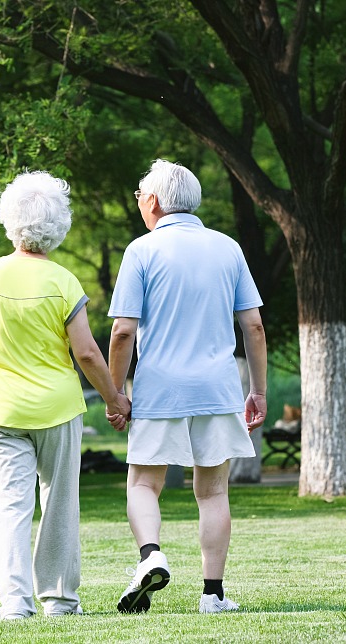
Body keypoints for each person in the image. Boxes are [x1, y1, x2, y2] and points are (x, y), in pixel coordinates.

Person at [0, 170, 129, 621]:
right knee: (58, 505)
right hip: (57, 409)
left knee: (7, 508)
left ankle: (15, 603)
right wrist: (114, 399)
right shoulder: (63, 282)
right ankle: (59, 601)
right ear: (59, 224)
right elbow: (89, 354)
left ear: (9, 220)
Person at [106, 159, 267, 615]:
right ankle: (213, 595)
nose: (140, 204)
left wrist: (116, 394)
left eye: (140, 197)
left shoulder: (142, 250)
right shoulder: (228, 248)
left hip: (160, 389)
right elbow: (253, 326)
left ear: (153, 201)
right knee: (213, 492)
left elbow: (122, 332)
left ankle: (150, 555)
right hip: (217, 389)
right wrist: (258, 391)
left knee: (143, 483)